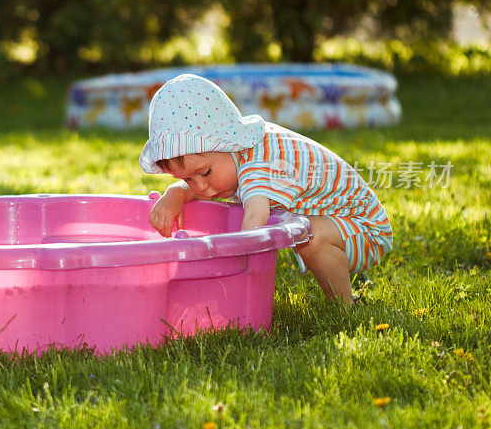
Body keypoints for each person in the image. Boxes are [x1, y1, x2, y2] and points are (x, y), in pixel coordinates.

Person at [139, 74, 393, 305]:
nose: (201, 187)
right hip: (340, 222)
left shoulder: (261, 163)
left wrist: (229, 270)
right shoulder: (237, 153)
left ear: (230, 143)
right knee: (308, 233)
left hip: (364, 229)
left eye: (205, 173)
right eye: (188, 179)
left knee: (311, 237)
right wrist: (176, 193)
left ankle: (344, 307)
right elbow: (199, 181)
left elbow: (255, 221)